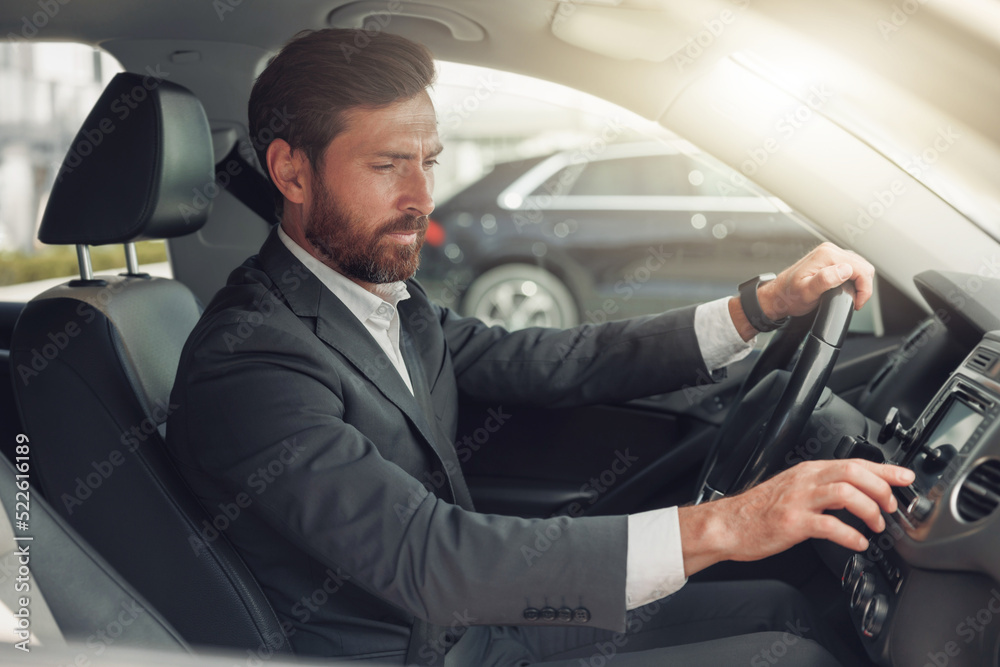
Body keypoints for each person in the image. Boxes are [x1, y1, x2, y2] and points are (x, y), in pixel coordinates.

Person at [165, 28, 914, 667]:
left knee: (785, 609)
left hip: (473, 628)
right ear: (292, 171)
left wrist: (759, 307)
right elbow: (432, 558)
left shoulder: (382, 302)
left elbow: (557, 360)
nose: (422, 195)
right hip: (418, 649)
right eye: (389, 165)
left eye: (429, 160)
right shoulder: (249, 360)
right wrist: (730, 523)